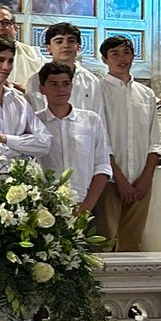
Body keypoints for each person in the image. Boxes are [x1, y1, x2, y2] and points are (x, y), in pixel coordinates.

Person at [96, 36, 161, 250]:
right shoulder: (98, 91)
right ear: (104, 59)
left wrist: (146, 178)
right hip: (109, 179)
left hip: (140, 179)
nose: (121, 58)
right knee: (104, 240)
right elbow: (100, 140)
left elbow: (154, 141)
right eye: (114, 54)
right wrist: (120, 179)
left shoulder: (146, 94)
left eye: (126, 53)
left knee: (132, 242)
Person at [35, 62, 111, 213]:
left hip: (84, 202)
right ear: (42, 89)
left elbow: (102, 166)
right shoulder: (34, 122)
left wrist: (86, 207)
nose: (61, 89)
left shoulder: (91, 120)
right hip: (45, 206)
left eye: (65, 84)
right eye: (54, 84)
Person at [25, 22, 105, 120]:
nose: (66, 45)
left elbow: (99, 116)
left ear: (78, 47)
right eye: (59, 41)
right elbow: (31, 118)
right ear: (48, 48)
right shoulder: (36, 80)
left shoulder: (90, 80)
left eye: (71, 41)